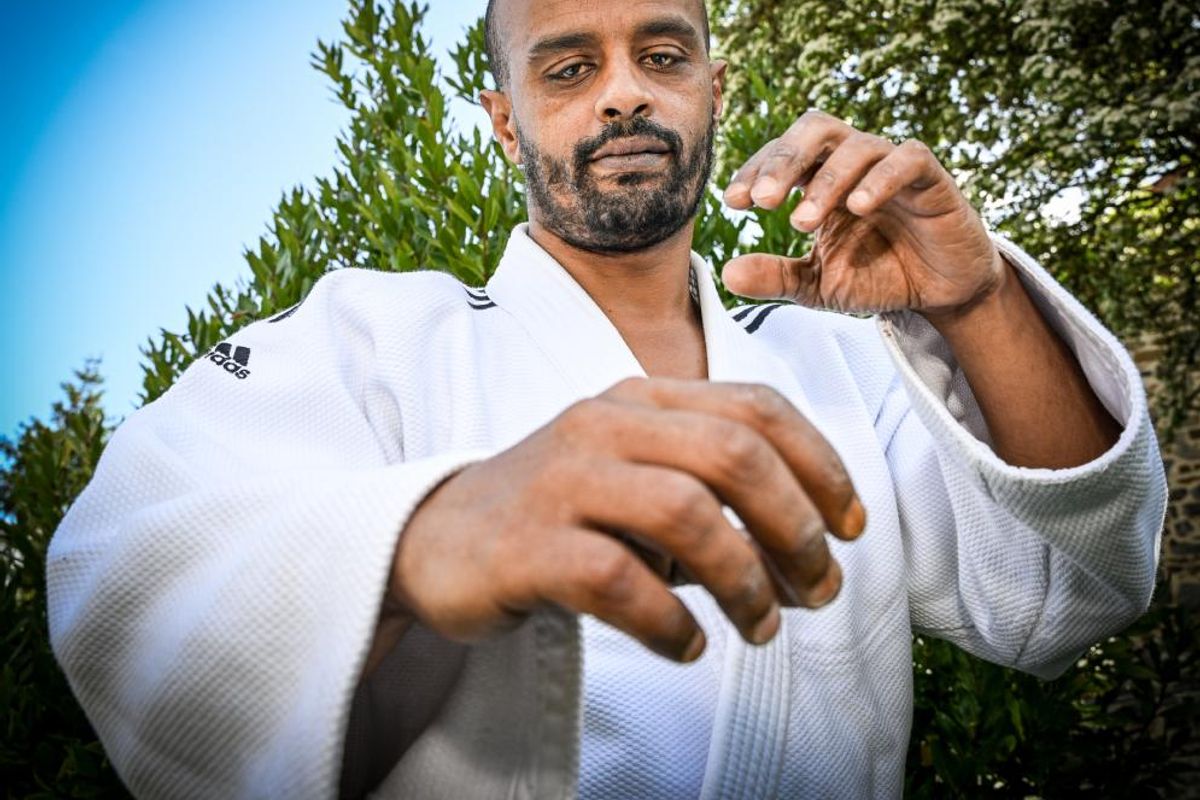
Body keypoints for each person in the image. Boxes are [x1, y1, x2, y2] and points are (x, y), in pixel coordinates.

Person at [47, 0, 1166, 797]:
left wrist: (978, 302)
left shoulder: (840, 366)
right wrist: (420, 535)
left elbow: (1071, 585)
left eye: (662, 55)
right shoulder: (372, 340)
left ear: (714, 90)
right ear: (504, 120)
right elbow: (123, 564)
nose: (624, 90)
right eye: (569, 67)